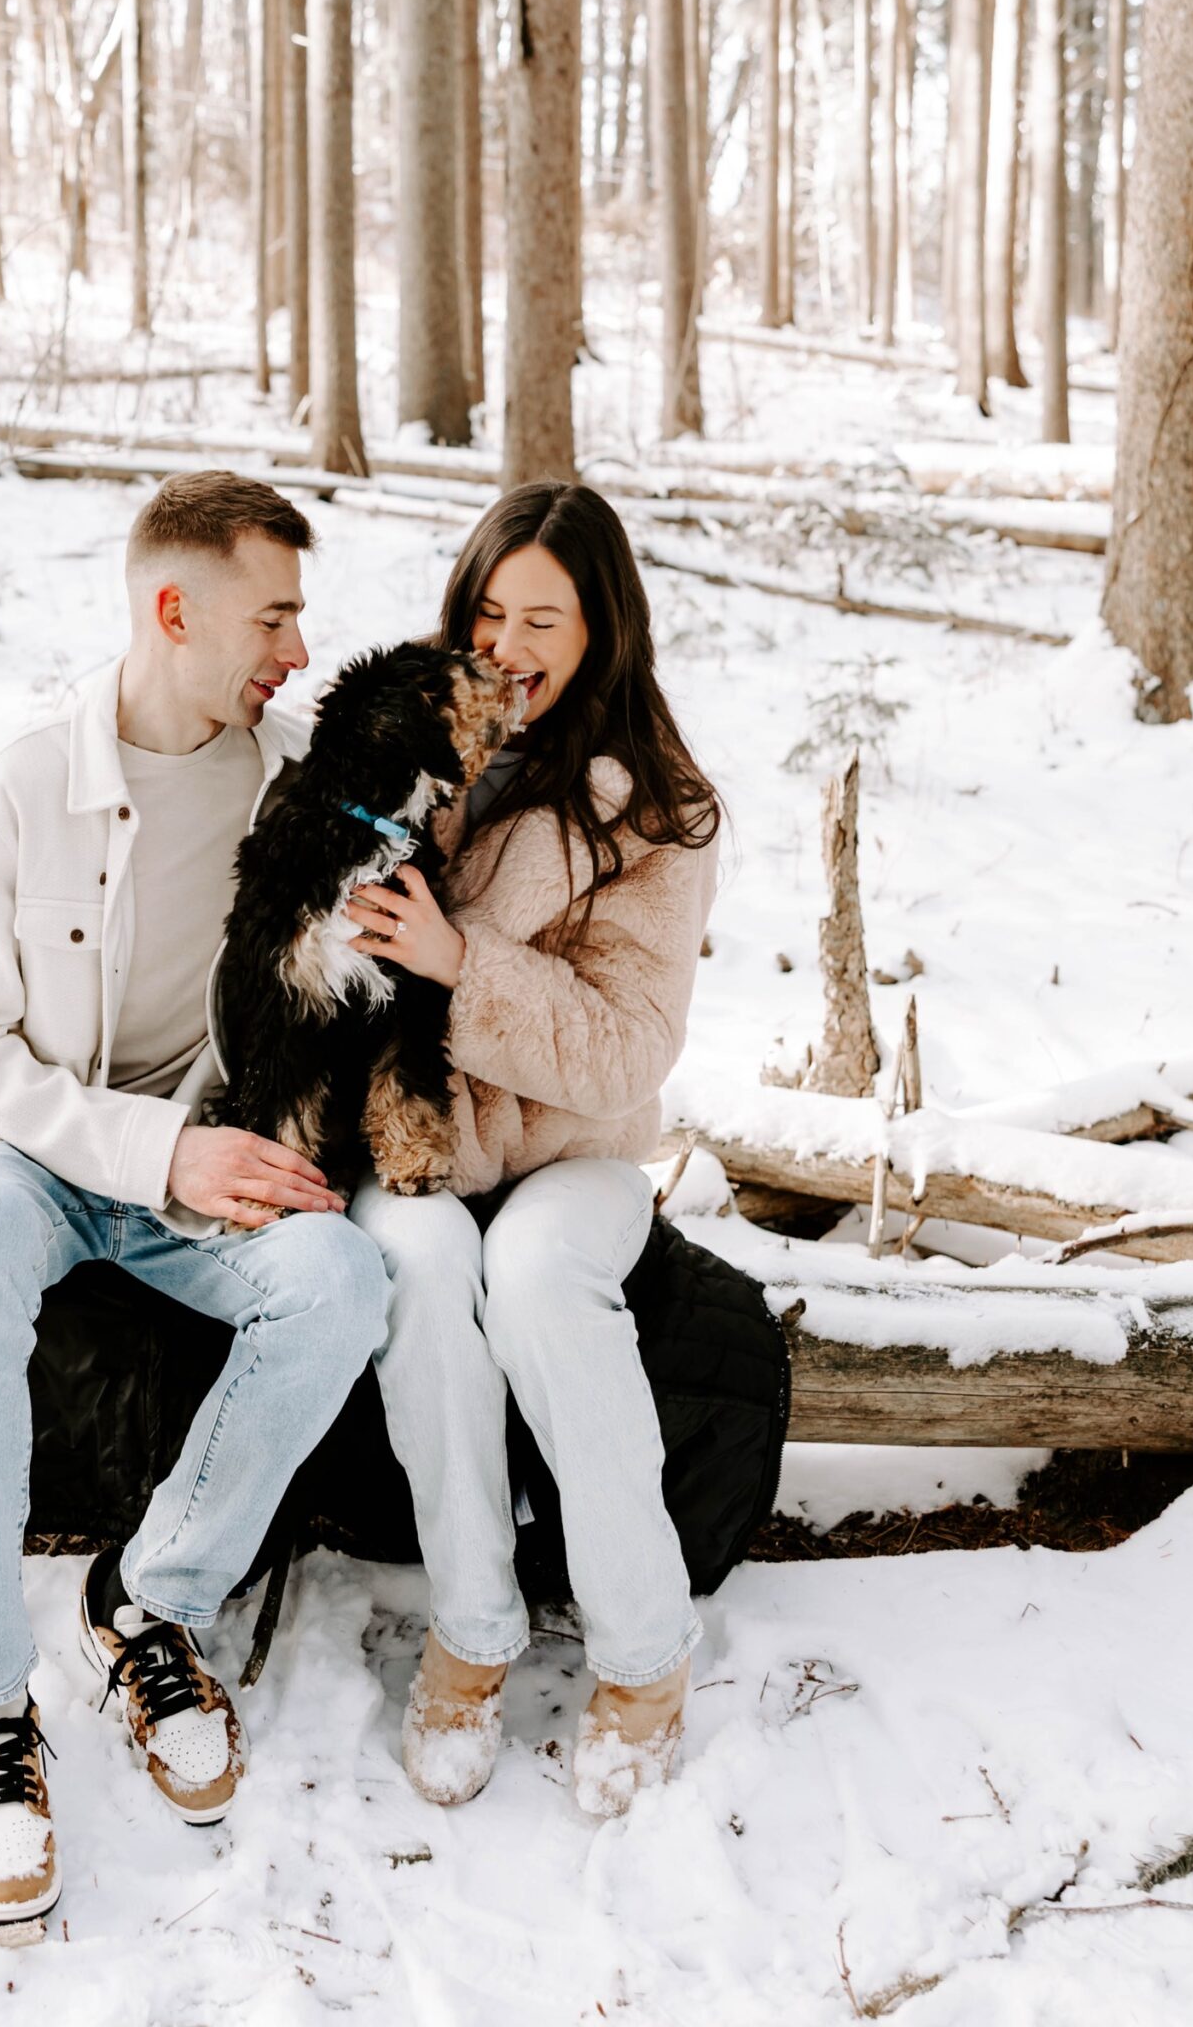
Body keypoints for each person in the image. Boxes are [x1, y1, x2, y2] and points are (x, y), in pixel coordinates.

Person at [0, 472, 389, 1929]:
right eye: (274, 616)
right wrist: (146, 1154)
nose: (297, 649)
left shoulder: (300, 791)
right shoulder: (24, 784)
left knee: (343, 1282)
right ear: (175, 610)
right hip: (35, 1157)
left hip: (209, 1164)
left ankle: (150, 1602)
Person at [344, 481, 722, 1819]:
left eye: (542, 617)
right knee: (420, 1268)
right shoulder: (412, 746)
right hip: (422, 1141)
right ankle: (473, 1626)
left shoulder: (658, 810)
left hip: (573, 1151)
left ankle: (641, 1650)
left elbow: (629, 1050)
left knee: (543, 1278)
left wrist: (462, 963)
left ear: (601, 627)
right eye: (487, 609)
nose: (506, 643)